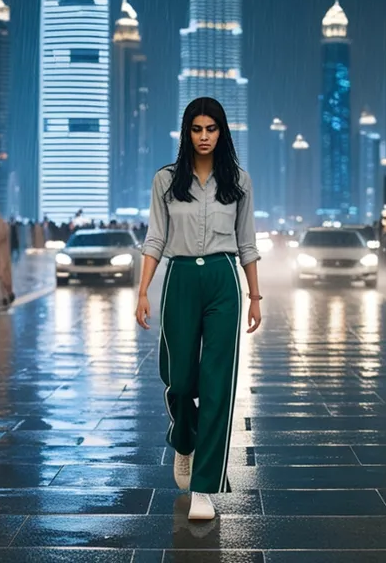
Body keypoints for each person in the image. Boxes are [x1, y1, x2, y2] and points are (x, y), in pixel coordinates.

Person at [134, 97, 262, 523]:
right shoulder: (166, 180)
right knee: (179, 377)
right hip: (181, 279)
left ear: (222, 132)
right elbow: (155, 239)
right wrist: (142, 291)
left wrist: (255, 297)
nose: (204, 137)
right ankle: (184, 439)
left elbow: (247, 244)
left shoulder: (239, 181)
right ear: (186, 132)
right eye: (196, 129)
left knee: (217, 384)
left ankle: (204, 487)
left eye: (211, 129)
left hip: (225, 281)